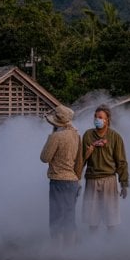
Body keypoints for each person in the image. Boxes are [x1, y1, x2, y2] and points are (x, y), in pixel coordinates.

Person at [39, 104, 84, 245]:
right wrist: (78, 179)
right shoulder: (76, 136)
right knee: (69, 217)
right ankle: (69, 251)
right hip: (73, 181)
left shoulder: (56, 137)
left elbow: (44, 158)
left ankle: (57, 251)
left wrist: (50, 137)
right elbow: (79, 161)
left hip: (58, 181)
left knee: (56, 217)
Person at [80, 105, 128, 232]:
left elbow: (121, 162)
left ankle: (110, 246)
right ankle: (92, 245)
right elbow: (81, 160)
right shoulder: (88, 135)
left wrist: (124, 184)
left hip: (109, 180)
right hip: (92, 179)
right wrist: (76, 179)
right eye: (95, 117)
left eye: (100, 117)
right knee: (92, 217)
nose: (97, 119)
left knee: (110, 217)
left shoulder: (115, 137)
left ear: (107, 120)